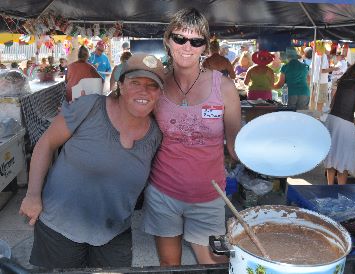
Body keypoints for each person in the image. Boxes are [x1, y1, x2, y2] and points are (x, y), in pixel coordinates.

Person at [19, 53, 165, 269]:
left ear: (160, 93)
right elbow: (45, 144)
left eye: (152, 86)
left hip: (114, 233)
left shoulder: (155, 135)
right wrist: (32, 195)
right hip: (61, 228)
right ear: (121, 85)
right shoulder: (89, 107)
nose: (144, 91)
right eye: (135, 82)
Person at [142, 7, 241, 266]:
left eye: (196, 41)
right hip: (163, 191)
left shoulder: (224, 87)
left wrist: (271, 154)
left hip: (209, 195)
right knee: (169, 267)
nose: (187, 46)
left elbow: (235, 146)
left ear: (205, 47)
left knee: (214, 266)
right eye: (180, 38)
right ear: (167, 40)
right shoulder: (156, 83)